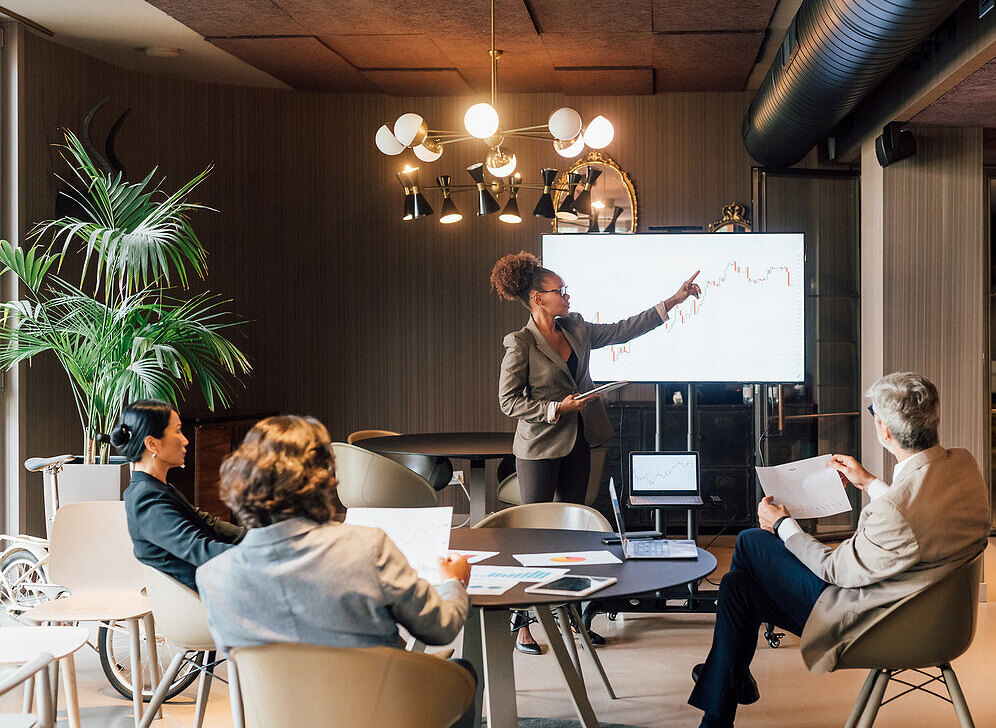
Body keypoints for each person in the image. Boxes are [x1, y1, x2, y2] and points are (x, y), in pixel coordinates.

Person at [689, 372, 991, 727]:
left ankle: (729, 678)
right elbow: (921, 514)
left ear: (885, 431)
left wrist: (783, 523)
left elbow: (836, 570)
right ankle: (720, 708)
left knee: (751, 542)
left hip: (878, 623)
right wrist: (870, 483)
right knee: (737, 588)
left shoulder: (893, 512)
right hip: (944, 621)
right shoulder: (963, 465)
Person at [490, 250, 701, 653]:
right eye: (560, 290)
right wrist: (556, 408)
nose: (567, 296)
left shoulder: (577, 328)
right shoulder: (519, 344)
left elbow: (623, 329)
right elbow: (509, 402)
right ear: (538, 298)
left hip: (581, 440)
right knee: (533, 538)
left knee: (572, 535)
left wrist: (671, 301)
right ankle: (522, 625)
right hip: (538, 447)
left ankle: (570, 617)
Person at [196, 414, 471, 652]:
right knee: (464, 675)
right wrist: (453, 583)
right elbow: (439, 629)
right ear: (322, 478)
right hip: (376, 708)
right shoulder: (366, 547)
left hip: (278, 713)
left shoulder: (213, 577)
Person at [117, 399, 242, 592]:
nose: (185, 440)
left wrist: (261, 539)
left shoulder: (156, 488)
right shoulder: (146, 498)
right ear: (152, 444)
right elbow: (199, 549)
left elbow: (210, 524)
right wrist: (261, 554)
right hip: (199, 603)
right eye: (177, 431)